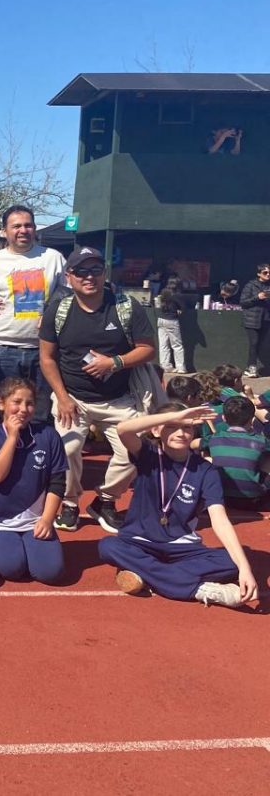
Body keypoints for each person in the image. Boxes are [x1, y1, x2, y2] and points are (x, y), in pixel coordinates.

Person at [39, 245, 156, 535]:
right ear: (69, 276)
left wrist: (115, 362)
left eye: (95, 270)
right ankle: (69, 502)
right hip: (74, 399)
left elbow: (148, 350)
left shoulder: (126, 306)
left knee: (136, 451)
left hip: (119, 399)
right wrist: (63, 399)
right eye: (81, 271)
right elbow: (46, 358)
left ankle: (105, 500)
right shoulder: (59, 308)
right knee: (67, 448)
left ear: (104, 273)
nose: (88, 277)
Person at [101, 404, 257, 608]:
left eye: (187, 428)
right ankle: (201, 590)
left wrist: (245, 568)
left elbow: (219, 519)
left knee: (232, 562)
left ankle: (145, 574)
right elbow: (123, 429)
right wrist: (179, 415)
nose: (181, 433)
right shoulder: (147, 454)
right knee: (108, 546)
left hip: (181, 547)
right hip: (139, 541)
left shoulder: (206, 470)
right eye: (171, 427)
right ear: (156, 430)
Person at [0, 205, 66, 423]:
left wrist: (52, 313)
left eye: (28, 225)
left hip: (44, 351)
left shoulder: (53, 258)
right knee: (5, 415)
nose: (23, 230)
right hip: (3, 351)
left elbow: (68, 297)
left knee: (40, 414)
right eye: (16, 226)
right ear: (5, 231)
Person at [0, 377, 67, 584]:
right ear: (1, 403)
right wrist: (11, 438)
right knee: (12, 569)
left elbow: (57, 483)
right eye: (16, 402)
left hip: (35, 521)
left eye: (29, 403)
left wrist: (46, 520)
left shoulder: (49, 436)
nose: (23, 409)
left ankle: (34, 546)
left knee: (50, 573)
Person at [203, 396, 268, 508]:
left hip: (222, 497)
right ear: (252, 418)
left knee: (207, 457)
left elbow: (194, 444)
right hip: (254, 499)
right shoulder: (261, 441)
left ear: (223, 418)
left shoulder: (214, 438)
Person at [238, 263, 270, 378]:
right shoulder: (250, 285)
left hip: (266, 319)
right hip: (252, 320)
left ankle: (261, 368)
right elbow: (243, 302)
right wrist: (258, 297)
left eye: (269, 272)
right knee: (254, 343)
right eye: (265, 272)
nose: (268, 274)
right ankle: (251, 367)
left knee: (263, 345)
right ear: (259, 274)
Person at [156, 278, 186, 373]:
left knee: (163, 345)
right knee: (177, 345)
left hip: (161, 320)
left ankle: (165, 366)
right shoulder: (177, 295)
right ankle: (181, 368)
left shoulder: (163, 293)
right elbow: (183, 307)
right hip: (172, 320)